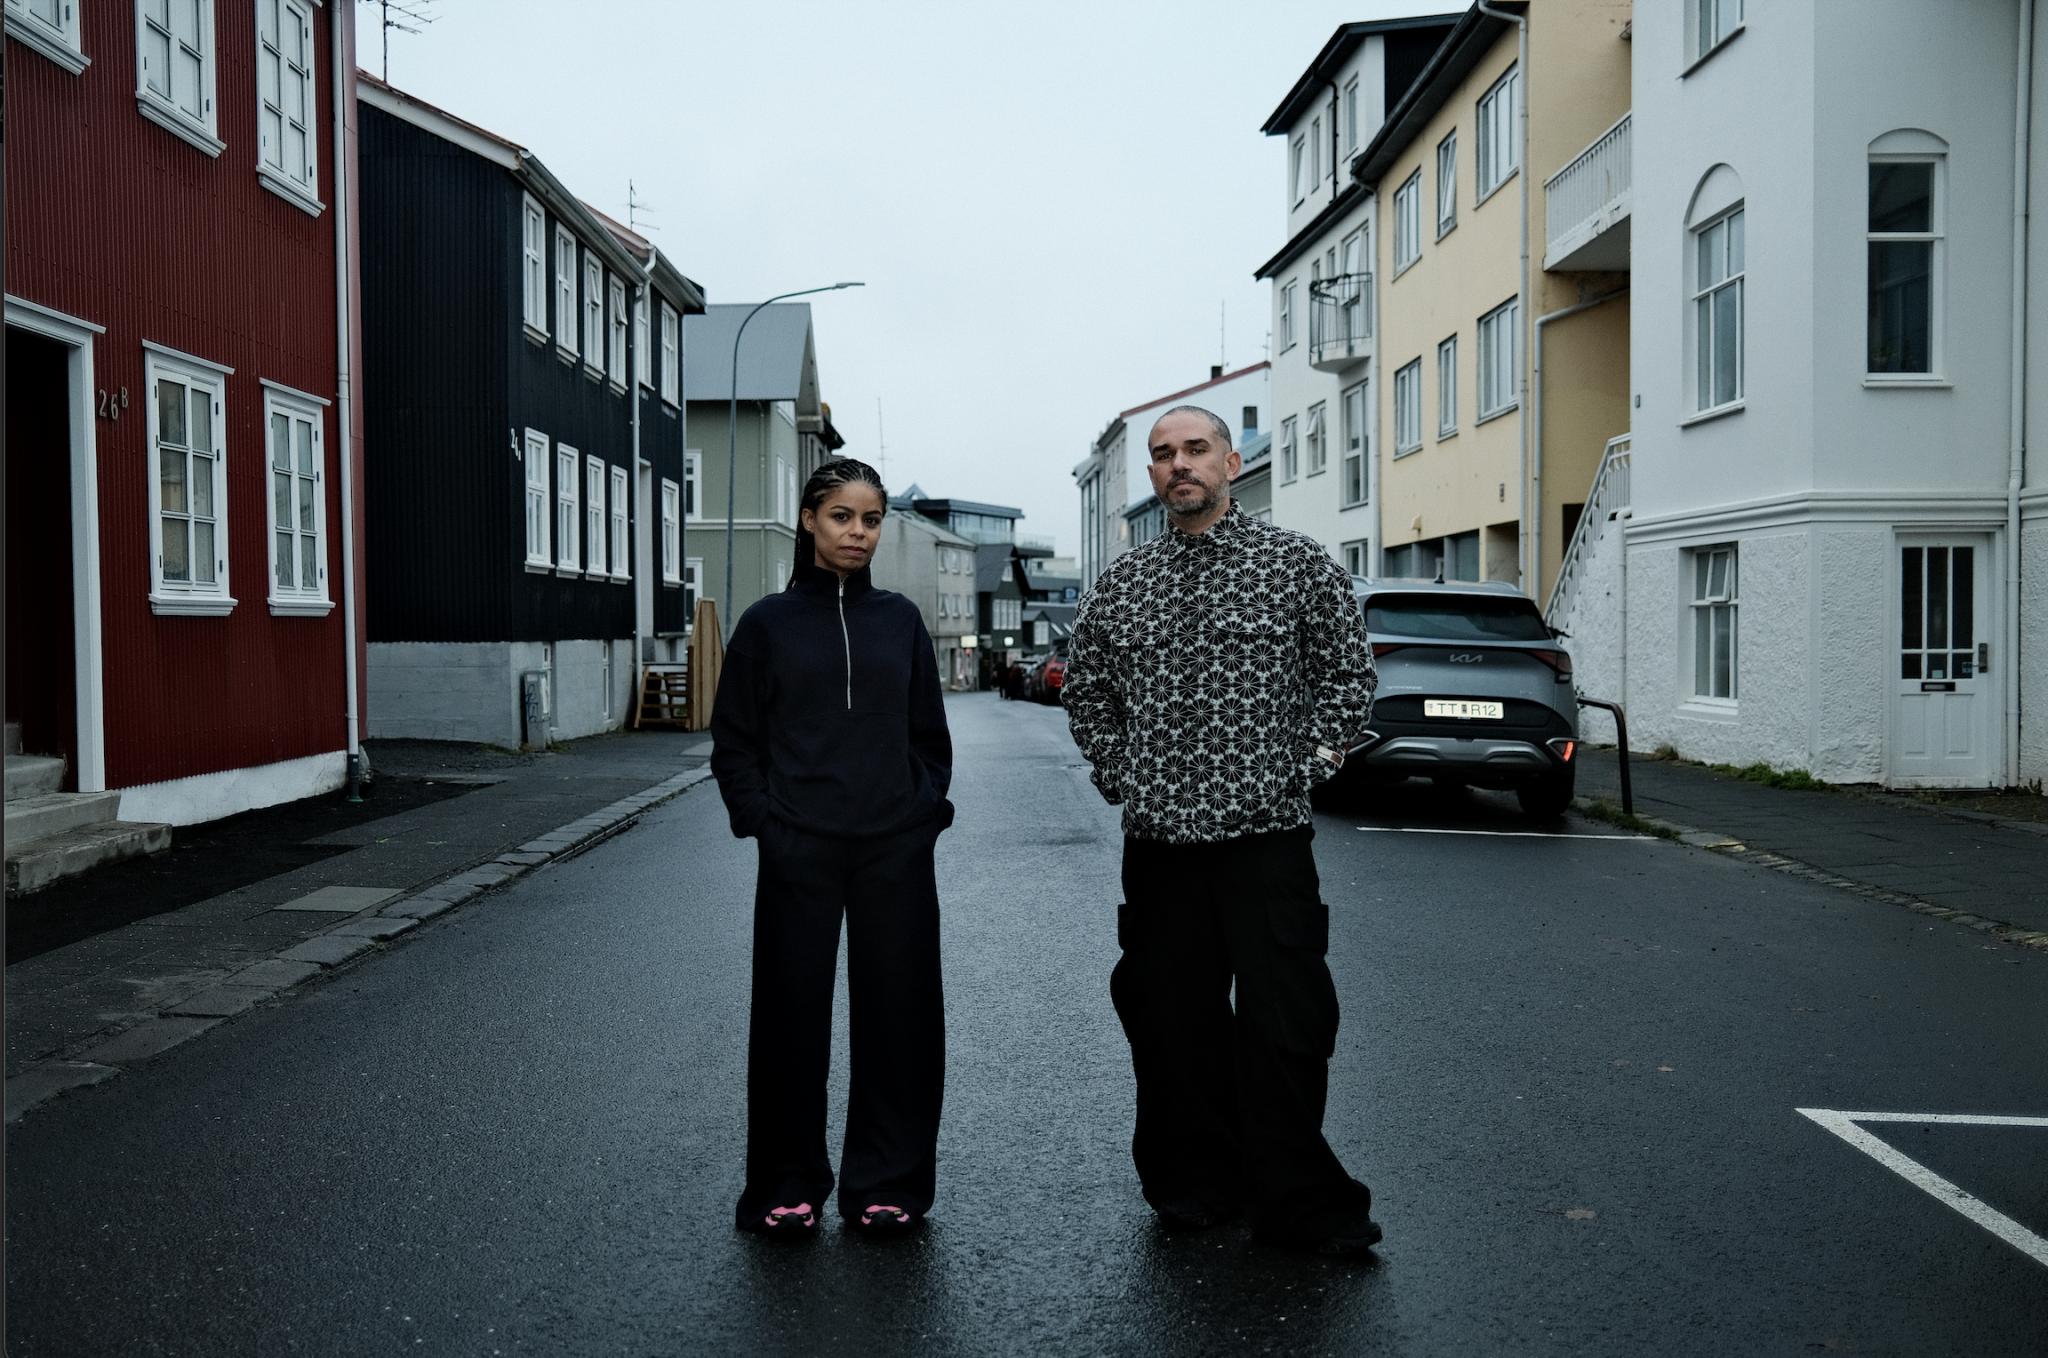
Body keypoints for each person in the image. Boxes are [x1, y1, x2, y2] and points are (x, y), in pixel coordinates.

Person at [1061, 405, 1381, 1255]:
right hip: (1161, 851)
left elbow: (1348, 680)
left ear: (1232, 463)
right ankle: (1195, 1184)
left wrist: (1302, 765)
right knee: (1171, 1022)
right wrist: (1123, 774)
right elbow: (1086, 694)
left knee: (1288, 1021)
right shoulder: (1123, 587)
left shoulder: (1297, 566)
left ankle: (1298, 1202)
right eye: (1162, 456)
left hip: (1266, 840)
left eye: (1194, 449)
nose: (1177, 466)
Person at [710, 457, 954, 1238]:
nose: (859, 532)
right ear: (811, 520)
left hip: (893, 848)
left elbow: (929, 738)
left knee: (902, 1019)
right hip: (799, 849)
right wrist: (764, 824)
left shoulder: (901, 621)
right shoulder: (766, 624)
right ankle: (788, 1184)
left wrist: (923, 815)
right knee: (789, 1018)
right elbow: (735, 741)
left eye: (872, 519)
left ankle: (888, 1183)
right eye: (843, 516)